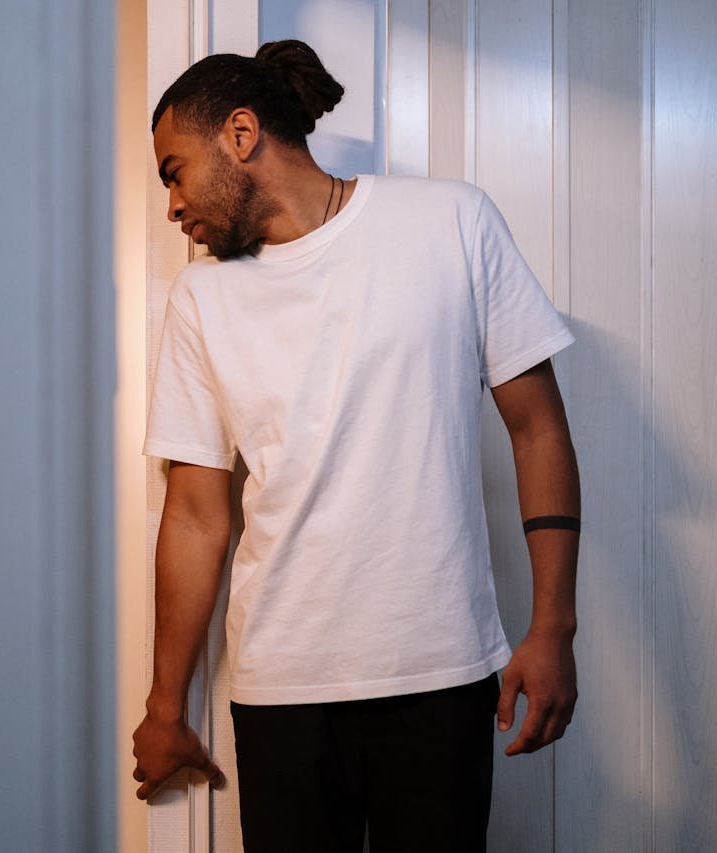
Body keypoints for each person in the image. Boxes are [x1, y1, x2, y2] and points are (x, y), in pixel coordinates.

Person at [132, 39, 580, 853]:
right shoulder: (201, 298)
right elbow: (197, 516)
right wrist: (167, 708)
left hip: (440, 675)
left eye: (173, 170)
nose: (173, 205)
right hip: (281, 692)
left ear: (241, 134)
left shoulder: (452, 221)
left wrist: (552, 628)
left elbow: (538, 426)